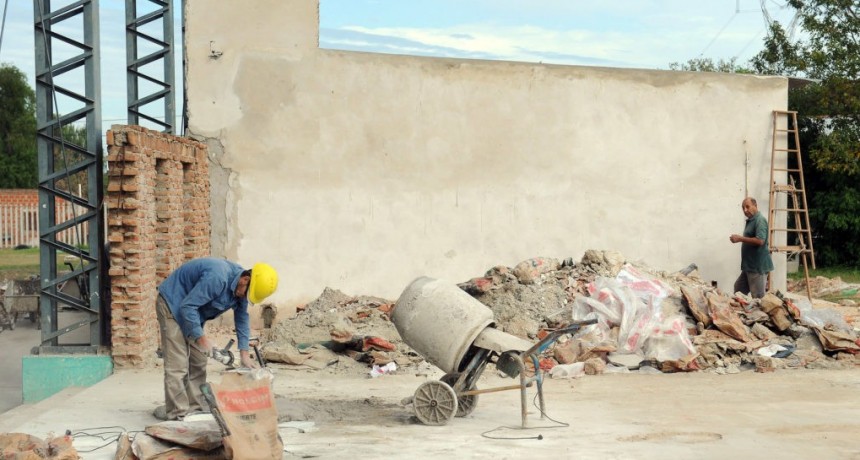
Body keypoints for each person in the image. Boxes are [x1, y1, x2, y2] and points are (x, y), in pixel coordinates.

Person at [153, 258, 278, 421]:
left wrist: (245, 354)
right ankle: (177, 415)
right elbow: (187, 307)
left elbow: (241, 318)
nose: (245, 298)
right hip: (173, 304)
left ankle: (194, 408)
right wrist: (202, 339)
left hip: (192, 311)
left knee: (198, 361)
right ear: (245, 279)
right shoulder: (218, 278)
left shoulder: (241, 289)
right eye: (247, 294)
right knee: (178, 364)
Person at [730, 197, 774, 299]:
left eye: (747, 207)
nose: (745, 210)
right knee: (738, 290)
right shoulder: (751, 220)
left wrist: (740, 238)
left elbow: (760, 240)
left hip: (757, 267)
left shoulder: (760, 220)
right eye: (743, 208)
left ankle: (760, 315)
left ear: (755, 206)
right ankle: (742, 313)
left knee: (758, 298)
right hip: (748, 267)